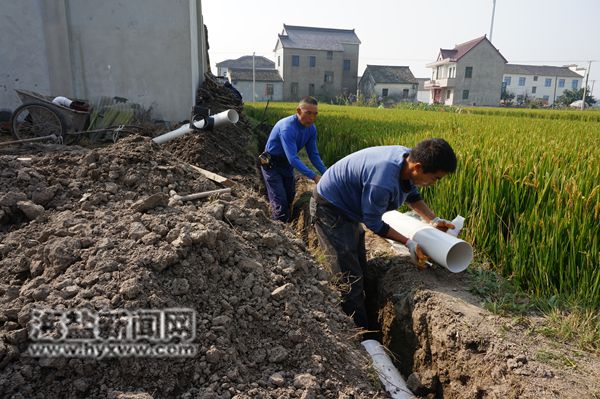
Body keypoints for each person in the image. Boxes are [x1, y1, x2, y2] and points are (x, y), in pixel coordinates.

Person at [311, 138, 457, 331]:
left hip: (348, 208)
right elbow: (373, 222)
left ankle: (364, 318)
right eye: (435, 178)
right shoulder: (383, 180)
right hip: (330, 210)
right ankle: (357, 334)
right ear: (419, 167)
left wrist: (433, 219)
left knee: (359, 269)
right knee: (348, 278)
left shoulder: (407, 160)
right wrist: (409, 243)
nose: (434, 183)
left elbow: (412, 196)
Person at [260, 96, 327, 222]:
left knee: (290, 198)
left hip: (286, 166)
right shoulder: (287, 128)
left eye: (315, 114)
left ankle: (287, 224)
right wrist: (314, 177)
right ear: (298, 111)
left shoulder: (311, 129)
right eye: (308, 113)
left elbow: (313, 155)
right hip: (271, 165)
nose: (312, 118)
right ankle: (278, 233)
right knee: (280, 205)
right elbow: (293, 158)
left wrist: (327, 173)